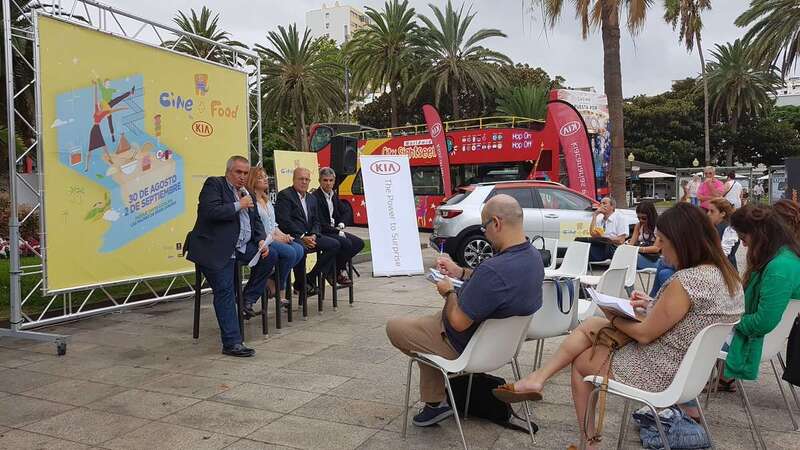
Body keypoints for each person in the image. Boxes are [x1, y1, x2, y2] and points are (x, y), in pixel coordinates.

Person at [493, 203, 743, 449]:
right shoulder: (728, 277)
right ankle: (538, 379)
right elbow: (688, 320)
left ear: (683, 241)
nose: (660, 251)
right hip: (688, 371)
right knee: (593, 325)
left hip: (660, 371)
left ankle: (589, 442)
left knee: (581, 363)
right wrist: (651, 304)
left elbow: (645, 335)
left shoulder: (687, 281)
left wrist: (614, 315)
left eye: (663, 242)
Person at [386, 194, 543, 427]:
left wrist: (448, 291)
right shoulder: (533, 258)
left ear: (496, 223)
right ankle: (434, 403)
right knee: (424, 332)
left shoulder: (494, 269)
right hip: (502, 347)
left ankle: (436, 402)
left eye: (484, 226)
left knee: (395, 328)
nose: (485, 233)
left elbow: (459, 321)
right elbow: (491, 284)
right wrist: (459, 272)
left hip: (462, 344)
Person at [185, 156, 278, 357]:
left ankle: (247, 298)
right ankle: (232, 342)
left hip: (242, 247)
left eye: (245, 173)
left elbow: (256, 223)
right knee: (225, 289)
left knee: (270, 257)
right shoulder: (215, 184)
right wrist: (239, 205)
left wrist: (261, 240)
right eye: (238, 172)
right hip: (215, 248)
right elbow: (209, 211)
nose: (242, 177)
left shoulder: (248, 193)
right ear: (228, 171)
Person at [717, 205, 800, 388]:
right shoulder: (783, 257)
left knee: (691, 334)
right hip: (763, 336)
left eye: (743, 238)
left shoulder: (779, 267)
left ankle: (684, 400)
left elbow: (763, 322)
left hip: (759, 340)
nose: (744, 244)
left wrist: (730, 320)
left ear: (760, 234)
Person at [274, 167, 340, 295]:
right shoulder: (285, 195)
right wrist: (303, 236)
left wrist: (314, 234)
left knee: (334, 244)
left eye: (306, 179)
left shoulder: (311, 198)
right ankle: (301, 283)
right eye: (301, 179)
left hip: (311, 235)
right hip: (293, 236)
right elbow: (284, 221)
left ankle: (310, 277)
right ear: (293, 179)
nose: (304, 182)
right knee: (301, 248)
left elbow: (316, 220)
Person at [246, 167, 305, 303]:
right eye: (261, 177)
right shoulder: (251, 201)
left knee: (299, 249)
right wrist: (279, 239)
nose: (266, 179)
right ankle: (279, 288)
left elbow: (274, 225)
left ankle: (272, 279)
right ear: (253, 181)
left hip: (274, 237)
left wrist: (285, 236)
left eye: (266, 176)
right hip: (262, 240)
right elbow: (258, 228)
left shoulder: (267, 200)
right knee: (290, 252)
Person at [312, 167, 363, 286]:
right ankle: (336, 272)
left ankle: (335, 269)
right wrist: (336, 231)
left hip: (334, 230)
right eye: (325, 180)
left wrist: (342, 224)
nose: (328, 183)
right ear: (319, 181)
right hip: (323, 231)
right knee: (345, 243)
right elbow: (319, 222)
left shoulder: (333, 195)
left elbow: (346, 211)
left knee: (358, 243)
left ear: (334, 181)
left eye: (330, 180)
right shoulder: (315, 197)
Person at [587, 197, 629, 262]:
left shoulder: (620, 218)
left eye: (604, 203)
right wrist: (595, 215)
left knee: (588, 251)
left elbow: (621, 240)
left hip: (613, 248)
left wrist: (605, 239)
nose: (601, 205)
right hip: (601, 246)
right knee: (582, 246)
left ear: (612, 206)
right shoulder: (600, 220)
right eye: (600, 203)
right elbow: (593, 234)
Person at [707, 198, 740, 269]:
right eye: (708, 211)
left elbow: (724, 253)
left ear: (722, 214)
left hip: (727, 270)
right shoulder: (713, 226)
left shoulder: (729, 229)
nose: (708, 214)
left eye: (712, 211)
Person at [629, 202, 660, 270]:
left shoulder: (659, 226)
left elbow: (656, 248)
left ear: (651, 216)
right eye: (638, 218)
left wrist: (637, 249)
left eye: (644, 218)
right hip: (642, 256)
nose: (641, 220)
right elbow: (631, 244)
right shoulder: (638, 225)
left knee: (631, 259)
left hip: (656, 259)